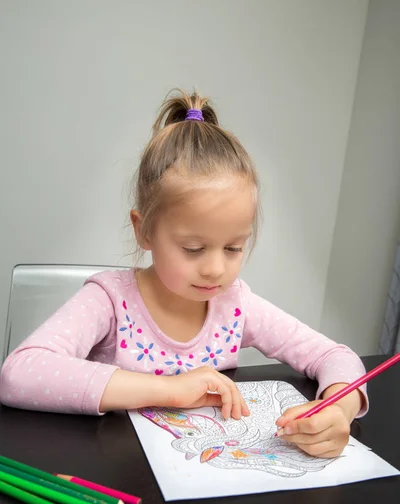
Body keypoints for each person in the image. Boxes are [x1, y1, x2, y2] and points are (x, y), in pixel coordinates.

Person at [0, 90, 367, 458]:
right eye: (193, 249)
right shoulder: (110, 301)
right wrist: (171, 390)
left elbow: (335, 356)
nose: (215, 268)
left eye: (234, 248)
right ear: (144, 231)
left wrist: (339, 410)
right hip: (118, 474)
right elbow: (19, 373)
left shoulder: (235, 305)